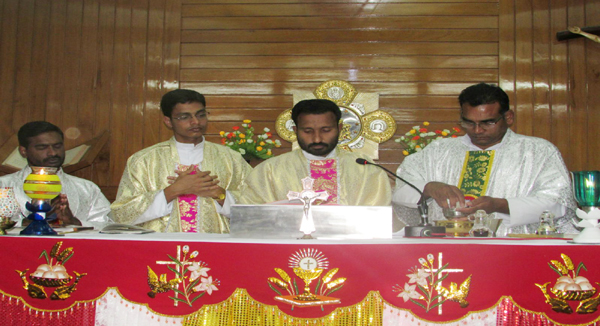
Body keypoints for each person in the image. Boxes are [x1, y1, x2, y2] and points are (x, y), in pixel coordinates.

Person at [392, 83, 577, 235]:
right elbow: (400, 190)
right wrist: (428, 188)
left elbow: (557, 203)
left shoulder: (538, 151)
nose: (478, 130)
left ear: (508, 117)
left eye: (488, 122)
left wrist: (500, 205)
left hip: (513, 247)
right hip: (447, 245)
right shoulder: (438, 151)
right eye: (469, 123)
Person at [110, 89, 252, 233]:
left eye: (201, 115)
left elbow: (257, 209)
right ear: (168, 121)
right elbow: (121, 214)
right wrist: (173, 191)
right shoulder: (144, 161)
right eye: (185, 117)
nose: (195, 121)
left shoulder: (231, 159)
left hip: (215, 246)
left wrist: (220, 194)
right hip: (160, 248)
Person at [238, 99, 391, 206]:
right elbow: (250, 211)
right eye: (308, 131)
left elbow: (378, 213)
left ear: (339, 129)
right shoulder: (270, 170)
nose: (317, 139)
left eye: (326, 130)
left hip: (350, 248)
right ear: (295, 131)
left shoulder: (365, 168)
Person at [0, 121, 112, 229]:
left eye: (57, 146)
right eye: (42, 147)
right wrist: (29, 222)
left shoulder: (87, 188)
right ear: (23, 151)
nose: (53, 153)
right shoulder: (3, 185)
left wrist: (73, 221)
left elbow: (110, 226)